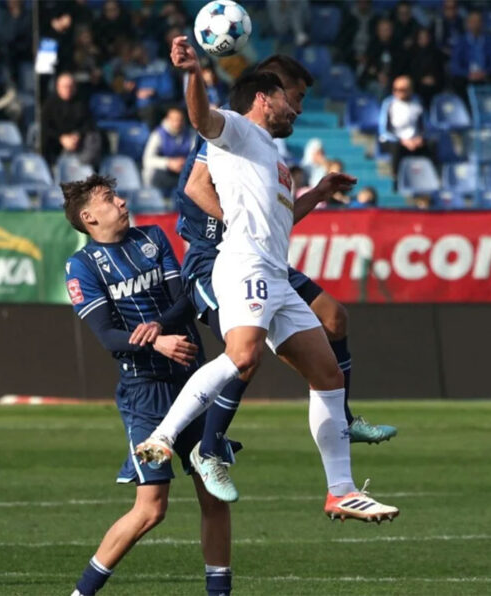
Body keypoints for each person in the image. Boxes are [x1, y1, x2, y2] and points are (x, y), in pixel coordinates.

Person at [136, 37, 400, 524]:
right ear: (263, 99)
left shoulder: (275, 161)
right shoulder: (237, 130)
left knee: (328, 376)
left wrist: (318, 192)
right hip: (244, 267)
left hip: (275, 275)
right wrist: (193, 73)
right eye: (289, 100)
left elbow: (280, 222)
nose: (295, 110)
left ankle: (341, 492)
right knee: (242, 357)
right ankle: (164, 437)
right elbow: (201, 119)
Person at [62, 174, 234, 596]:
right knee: (151, 508)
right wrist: (156, 342)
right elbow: (108, 336)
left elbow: (185, 300)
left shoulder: (153, 238)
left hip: (193, 386)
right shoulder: (82, 266)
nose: (122, 202)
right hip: (146, 395)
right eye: (109, 199)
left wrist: (159, 327)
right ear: (89, 217)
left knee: (213, 496)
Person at [378, 75, 433, 188]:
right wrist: (402, 141)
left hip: (414, 140)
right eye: (395, 89)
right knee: (396, 148)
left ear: (410, 90)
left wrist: (420, 138)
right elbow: (383, 130)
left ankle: (430, 180)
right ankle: (396, 180)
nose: (398, 92)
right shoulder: (388, 103)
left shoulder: (418, 103)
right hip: (394, 140)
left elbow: (426, 125)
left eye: (402, 90)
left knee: (431, 145)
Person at [42, 72, 101, 165]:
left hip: (77, 140)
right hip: (57, 142)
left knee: (94, 136)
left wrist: (77, 135)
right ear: (58, 87)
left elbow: (87, 123)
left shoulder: (81, 102)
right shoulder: (49, 105)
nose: (68, 89)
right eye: (65, 86)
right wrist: (61, 138)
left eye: (70, 86)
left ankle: (82, 165)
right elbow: (46, 127)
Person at [450, 11, 491, 99]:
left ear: (482, 23)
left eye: (478, 21)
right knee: (457, 81)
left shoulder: (490, 42)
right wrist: (468, 74)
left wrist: (485, 72)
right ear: (467, 24)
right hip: (466, 78)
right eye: (472, 21)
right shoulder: (460, 42)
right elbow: (455, 65)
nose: (475, 24)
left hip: (486, 77)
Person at [142, 107, 193, 192]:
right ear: (167, 119)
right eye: (174, 120)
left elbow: (195, 156)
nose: (177, 123)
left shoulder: (191, 134)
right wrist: (168, 163)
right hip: (161, 175)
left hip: (183, 172)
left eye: (180, 120)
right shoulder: (158, 134)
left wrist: (184, 162)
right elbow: (147, 160)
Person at [407, 27, 445, 105]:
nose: (423, 40)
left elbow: (440, 70)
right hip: (416, 84)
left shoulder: (436, 53)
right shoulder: (411, 53)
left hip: (435, 84)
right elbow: (410, 71)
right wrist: (421, 79)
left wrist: (433, 79)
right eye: (421, 38)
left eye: (426, 37)